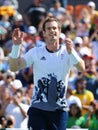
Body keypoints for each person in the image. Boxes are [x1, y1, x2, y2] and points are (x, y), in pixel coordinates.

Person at [9, 16, 85, 130]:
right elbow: (14, 67)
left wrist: (72, 53)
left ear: (59, 32)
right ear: (44, 33)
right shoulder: (35, 52)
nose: (52, 31)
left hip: (59, 110)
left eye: (55, 28)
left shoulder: (67, 51)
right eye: (49, 29)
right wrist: (16, 47)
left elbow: (82, 68)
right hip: (38, 108)